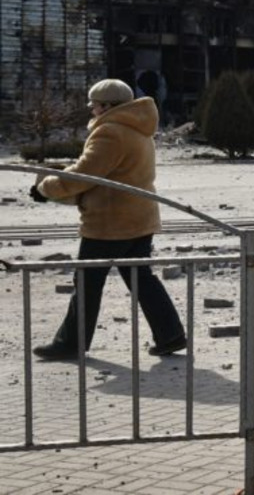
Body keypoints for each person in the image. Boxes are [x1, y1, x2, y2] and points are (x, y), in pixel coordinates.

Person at [29, 79, 187, 361]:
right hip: (140, 218)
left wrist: (45, 188)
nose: (91, 109)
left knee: (87, 282)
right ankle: (170, 334)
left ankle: (70, 344)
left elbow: (84, 174)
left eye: (94, 104)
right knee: (142, 278)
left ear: (108, 106)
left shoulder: (110, 133)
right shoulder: (139, 129)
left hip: (110, 223)